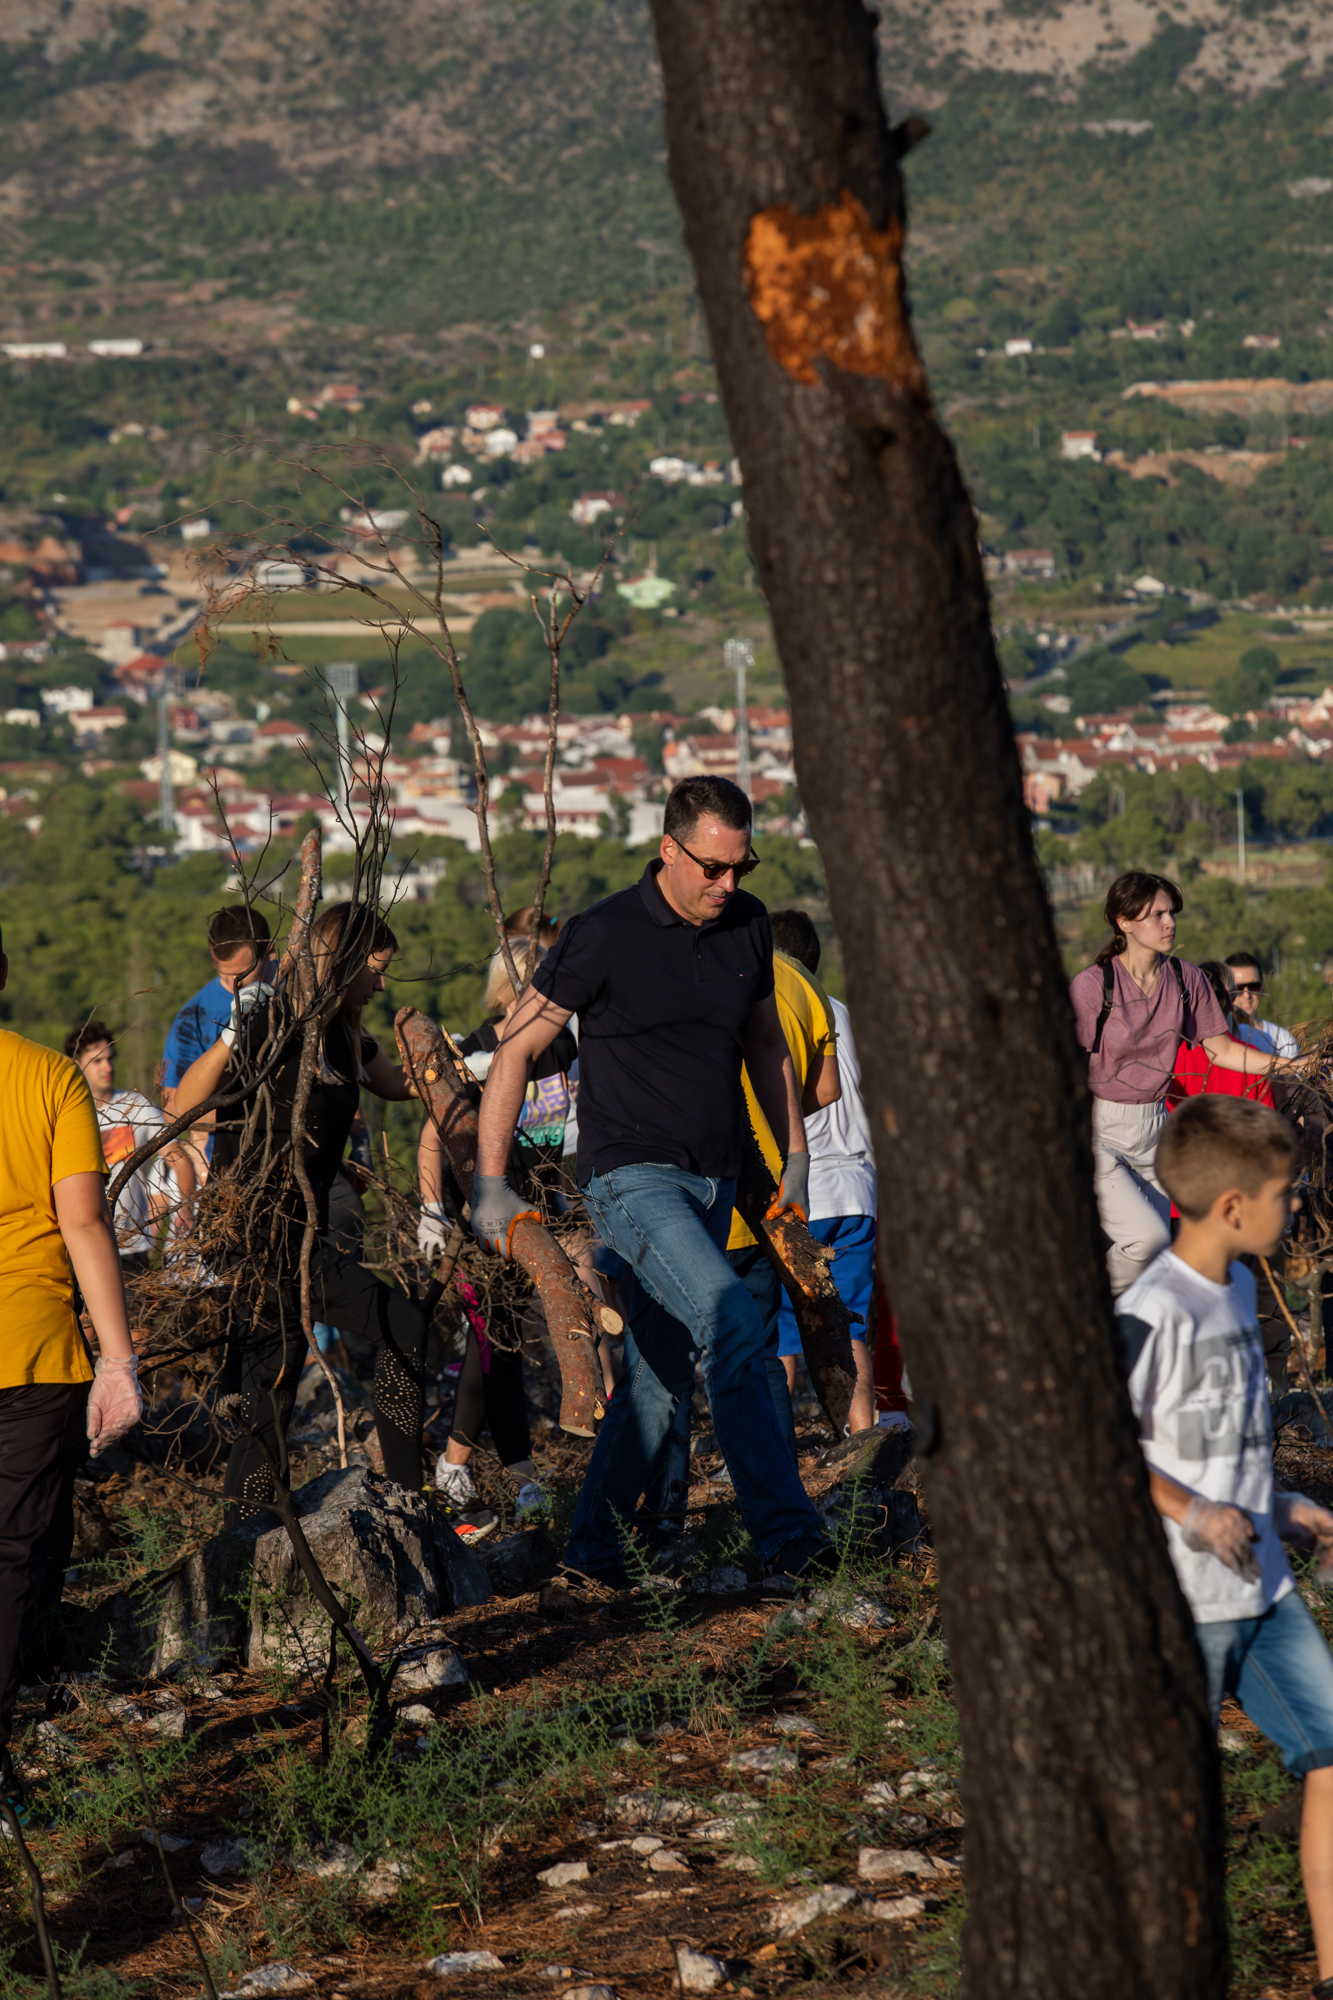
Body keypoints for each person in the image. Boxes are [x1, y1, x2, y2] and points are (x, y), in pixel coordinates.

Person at [469, 774, 831, 1587]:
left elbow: (765, 1045)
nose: (727, 883)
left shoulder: (745, 926)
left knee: (657, 1379)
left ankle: (592, 1556)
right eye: (712, 867)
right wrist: (491, 1186)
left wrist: (795, 1158)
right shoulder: (602, 934)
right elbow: (517, 1048)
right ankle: (788, 1536)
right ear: (669, 849)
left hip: (716, 1180)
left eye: (740, 867)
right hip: (630, 1180)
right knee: (731, 1321)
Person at [1116, 1095, 1333, 1999]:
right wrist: (1193, 1512)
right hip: (1186, 1603)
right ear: (1234, 1206)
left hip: (1265, 1591)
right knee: (1176, 1801)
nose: (1296, 1206)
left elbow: (1219, 1446)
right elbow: (1103, 1444)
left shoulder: (1241, 1289)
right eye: (1285, 1192)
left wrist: (1277, 1505)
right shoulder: (1148, 1310)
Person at [173, 903, 426, 1514]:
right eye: (375, 970)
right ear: (342, 962)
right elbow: (182, 1105)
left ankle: (249, 1533)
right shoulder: (277, 1021)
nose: (381, 985)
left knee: (272, 1389)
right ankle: (402, 1496)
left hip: (295, 1234)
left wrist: (483, 1062)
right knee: (391, 1329)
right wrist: (232, 1035)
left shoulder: (344, 1033)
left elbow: (399, 1083)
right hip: (258, 1234)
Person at [0, 926, 142, 1819]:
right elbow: (84, 1222)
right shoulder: (49, 1077)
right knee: (17, 1555)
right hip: (34, 1350)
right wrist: (119, 1361)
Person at [1070, 871, 1301, 1296]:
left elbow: (1224, 1051)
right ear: (1124, 922)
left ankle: (1121, 1329)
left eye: (1171, 913)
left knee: (1161, 1256)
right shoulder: (1092, 986)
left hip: (1156, 1128)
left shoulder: (1185, 979)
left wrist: (1294, 1065)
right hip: (1099, 1131)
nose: (1170, 923)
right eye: (1157, 914)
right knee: (1148, 1241)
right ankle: (1083, 1305)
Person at [418, 923, 576, 1540]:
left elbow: (561, 1130)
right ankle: (473, 1468)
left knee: (505, 1345)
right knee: (493, 1343)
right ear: (512, 991)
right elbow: (432, 1135)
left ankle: (489, 1468)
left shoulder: (560, 1047)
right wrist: (432, 1208)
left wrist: (561, 1192)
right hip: (479, 1223)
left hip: (535, 1218)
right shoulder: (476, 1050)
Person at [767, 907, 877, 1434]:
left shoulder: (773, 1012)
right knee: (849, 1326)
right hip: (858, 1190)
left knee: (783, 1333)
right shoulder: (845, 1014)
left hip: (802, 1191)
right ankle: (866, 1442)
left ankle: (772, 1446)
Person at [67, 1020, 198, 1275]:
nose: (108, 1067)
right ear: (76, 1064)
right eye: (97, 1061)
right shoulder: (66, 1114)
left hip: (132, 1249)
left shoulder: (137, 1106)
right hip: (80, 1248)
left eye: (110, 1058)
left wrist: (185, 1210)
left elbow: (179, 1159)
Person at [161, 906, 276, 1165]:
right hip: (233, 1159)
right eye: (223, 972)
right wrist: (252, 1111)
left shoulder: (301, 988)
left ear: (269, 951)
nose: (234, 983)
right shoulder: (193, 1017)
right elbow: (172, 1111)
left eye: (242, 974)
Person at [1225, 951, 1300, 1062]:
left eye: (1254, 986)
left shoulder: (1284, 1039)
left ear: (1262, 987)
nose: (1247, 995)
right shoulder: (1220, 1038)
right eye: (1238, 988)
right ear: (1225, 990)